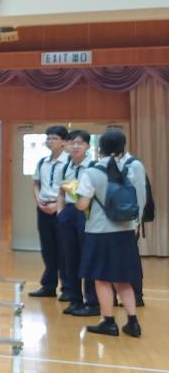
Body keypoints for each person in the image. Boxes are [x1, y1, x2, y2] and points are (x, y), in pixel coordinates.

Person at [75, 129, 146, 338]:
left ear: (99, 149)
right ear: (123, 147)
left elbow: (82, 204)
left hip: (100, 231)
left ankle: (108, 321)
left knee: (102, 278)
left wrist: (76, 196)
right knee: (123, 278)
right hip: (125, 230)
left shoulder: (91, 172)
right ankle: (133, 322)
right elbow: (139, 198)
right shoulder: (131, 168)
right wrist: (136, 224)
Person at [57, 130, 98, 317]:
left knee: (88, 257)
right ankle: (75, 299)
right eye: (72, 143)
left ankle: (92, 302)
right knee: (70, 257)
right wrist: (60, 212)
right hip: (69, 213)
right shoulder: (66, 166)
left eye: (80, 143)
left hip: (87, 214)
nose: (75, 146)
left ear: (87, 146)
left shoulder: (94, 167)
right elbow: (61, 191)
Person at [29, 126, 69, 298]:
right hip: (43, 208)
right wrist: (38, 200)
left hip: (62, 209)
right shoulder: (42, 162)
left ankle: (67, 288)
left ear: (64, 142)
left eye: (54, 138)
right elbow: (35, 184)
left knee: (65, 249)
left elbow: (71, 188)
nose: (49, 141)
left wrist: (58, 206)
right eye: (48, 138)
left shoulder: (69, 162)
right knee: (48, 249)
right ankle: (48, 286)